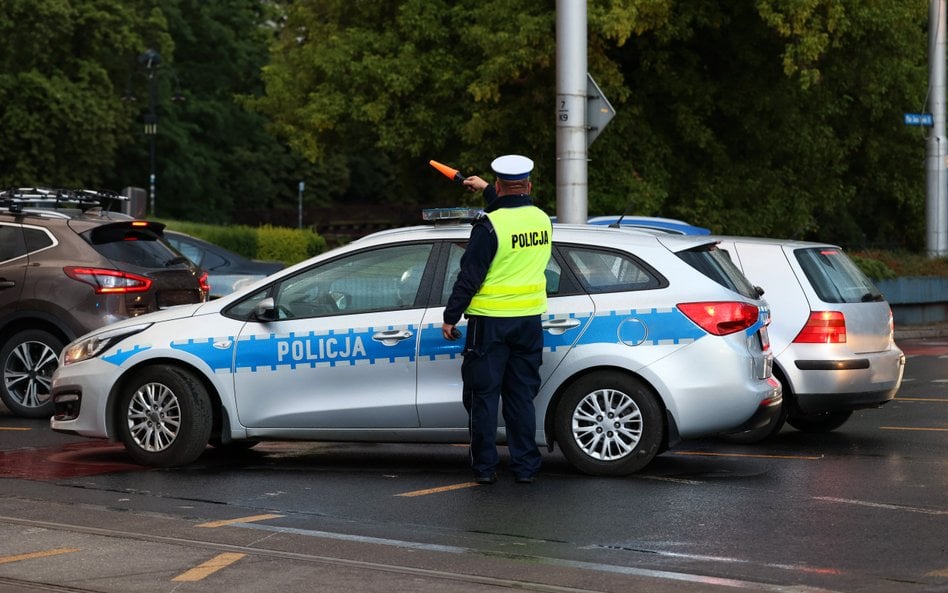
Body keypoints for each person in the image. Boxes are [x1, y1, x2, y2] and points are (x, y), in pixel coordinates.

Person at [441, 154, 552, 485]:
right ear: (529, 185)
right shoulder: (542, 220)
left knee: (483, 396)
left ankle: (485, 468)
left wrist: (451, 316)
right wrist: (488, 189)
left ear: (501, 184)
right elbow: (514, 213)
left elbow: (470, 275)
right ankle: (525, 467)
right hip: (529, 322)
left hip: (490, 324)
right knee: (520, 397)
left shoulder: (488, 226)